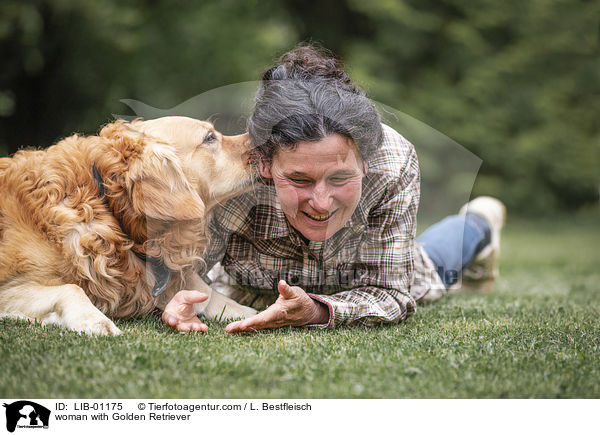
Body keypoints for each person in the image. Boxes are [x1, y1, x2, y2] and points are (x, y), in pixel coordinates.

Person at [161, 44, 506, 333]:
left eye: (340, 178)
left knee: (432, 269)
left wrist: (317, 311)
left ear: (366, 161)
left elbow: (392, 293)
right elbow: (184, 274)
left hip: (366, 274)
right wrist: (179, 296)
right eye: (299, 180)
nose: (322, 204)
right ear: (263, 163)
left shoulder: (393, 161)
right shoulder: (231, 175)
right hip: (252, 289)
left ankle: (480, 221)